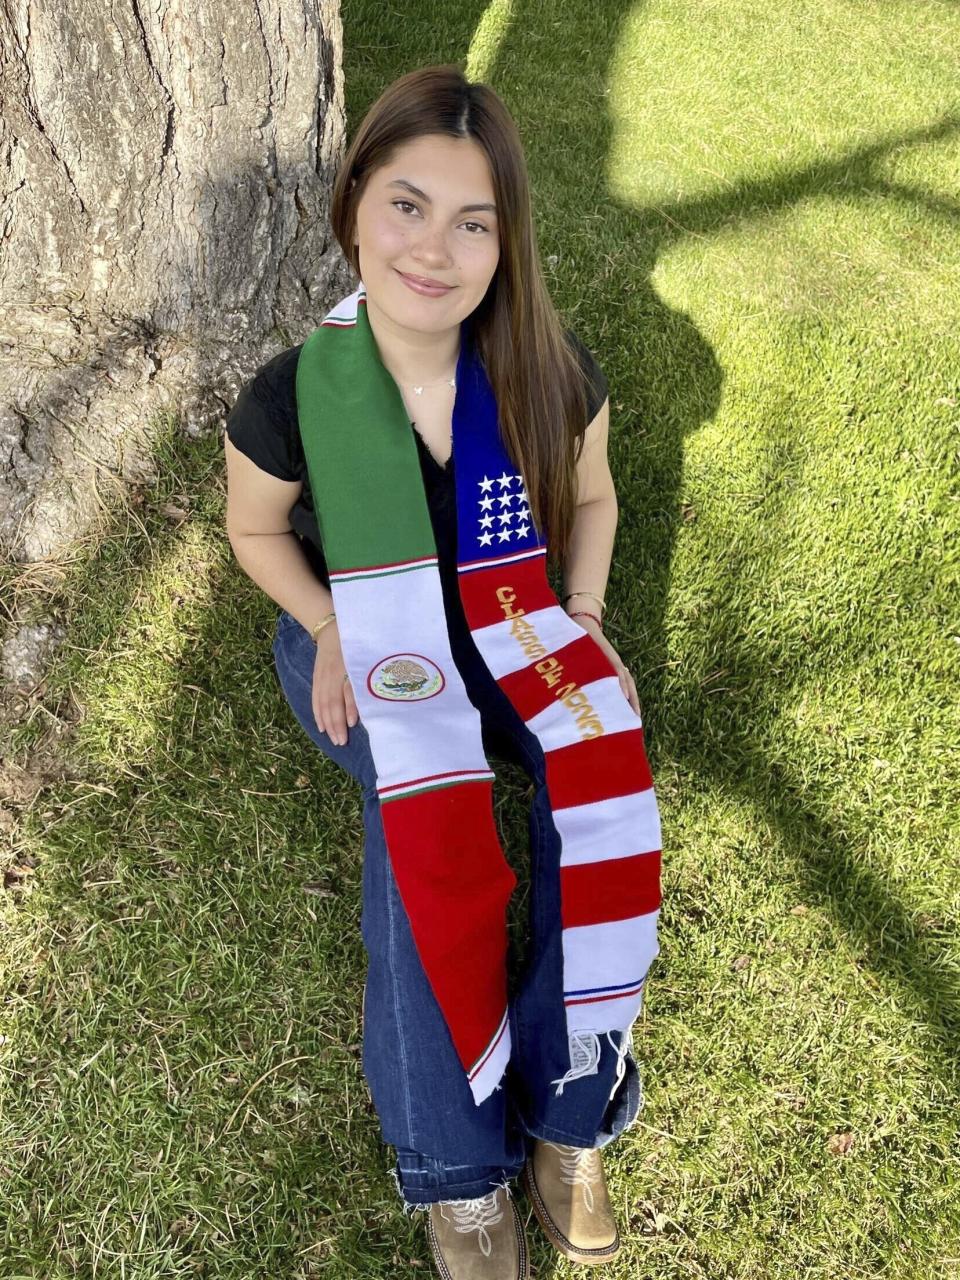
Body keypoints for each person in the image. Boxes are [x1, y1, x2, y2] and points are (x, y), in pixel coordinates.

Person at [224, 64, 661, 1280]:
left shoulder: (540, 363)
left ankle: (569, 1115)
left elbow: (595, 493)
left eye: (474, 222)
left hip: (513, 611)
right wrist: (325, 625)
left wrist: (582, 611)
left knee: (602, 770)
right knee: (426, 804)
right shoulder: (295, 394)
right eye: (407, 205)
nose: (435, 248)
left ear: (504, 241)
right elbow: (254, 532)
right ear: (356, 199)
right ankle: (457, 1176)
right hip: (370, 629)